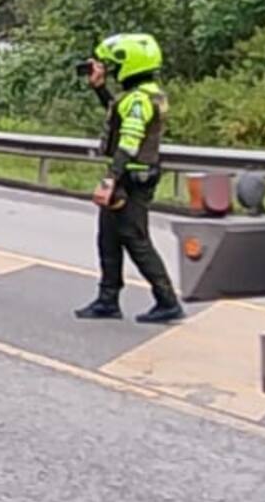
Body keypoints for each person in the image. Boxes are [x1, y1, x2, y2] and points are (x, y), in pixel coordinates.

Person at [75, 32, 184, 324]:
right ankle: (107, 299)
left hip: (132, 179)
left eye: (112, 66)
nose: (110, 70)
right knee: (108, 236)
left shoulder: (138, 99)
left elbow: (129, 141)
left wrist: (110, 178)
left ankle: (167, 300)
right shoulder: (147, 94)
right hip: (134, 175)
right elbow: (121, 114)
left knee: (136, 239)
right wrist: (100, 89)